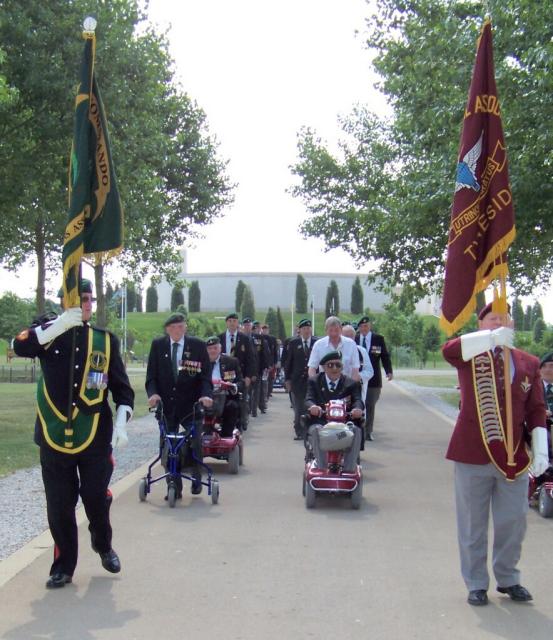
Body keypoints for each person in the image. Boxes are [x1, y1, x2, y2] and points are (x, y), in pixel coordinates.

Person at [13, 279, 134, 589]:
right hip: (53, 434)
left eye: (89, 299)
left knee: (95, 497)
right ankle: (63, 566)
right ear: (64, 301)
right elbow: (19, 346)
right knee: (59, 504)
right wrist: (58, 325)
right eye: (79, 299)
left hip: (94, 434)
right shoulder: (47, 333)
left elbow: (122, 390)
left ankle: (103, 545)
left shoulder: (105, 341)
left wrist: (122, 421)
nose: (85, 304)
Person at [442, 302, 548, 606]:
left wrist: (540, 446)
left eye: (504, 319)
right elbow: (448, 350)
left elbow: (536, 408)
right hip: (472, 452)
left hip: (513, 456)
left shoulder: (528, 362)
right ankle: (476, 582)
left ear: (512, 326)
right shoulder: (470, 355)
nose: (499, 323)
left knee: (514, 520)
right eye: (492, 319)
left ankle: (508, 577)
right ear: (481, 324)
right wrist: (489, 340)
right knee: (473, 523)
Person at [145, 313, 213, 498]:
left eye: (181, 327)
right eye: (173, 327)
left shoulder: (197, 346)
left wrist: (206, 396)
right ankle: (174, 485)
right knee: (169, 446)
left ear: (185, 328)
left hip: (191, 406)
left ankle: (197, 473)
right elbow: (151, 377)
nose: (177, 331)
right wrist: (153, 394)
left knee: (195, 442)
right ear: (167, 329)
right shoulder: (158, 345)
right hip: (167, 407)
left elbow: (205, 377)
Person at [305, 351, 363, 472]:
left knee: (356, 431)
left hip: (344, 427)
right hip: (321, 423)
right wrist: (313, 407)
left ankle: (349, 469)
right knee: (316, 430)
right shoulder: (314, 381)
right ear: (324, 367)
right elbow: (308, 399)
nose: (335, 369)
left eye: (338, 365)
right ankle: (321, 467)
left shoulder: (351, 383)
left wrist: (357, 409)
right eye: (331, 365)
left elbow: (358, 400)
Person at [355, 316, 393, 441]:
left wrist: (389, 371)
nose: (364, 328)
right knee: (358, 404)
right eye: (361, 327)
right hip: (357, 378)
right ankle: (357, 429)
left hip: (373, 380)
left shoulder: (378, 339)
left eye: (366, 326)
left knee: (370, 405)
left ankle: (368, 431)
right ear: (359, 328)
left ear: (369, 326)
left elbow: (384, 356)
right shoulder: (354, 339)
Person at [219, 312, 255, 430]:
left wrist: (249, 376)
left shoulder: (244, 338)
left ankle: (241, 421)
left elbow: (250, 358)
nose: (232, 323)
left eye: (234, 321)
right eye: (230, 321)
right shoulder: (220, 338)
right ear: (226, 323)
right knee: (224, 399)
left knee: (241, 400)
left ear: (237, 323)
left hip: (240, 374)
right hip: (223, 374)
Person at [284, 319, 318, 440]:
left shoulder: (317, 342)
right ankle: (299, 431)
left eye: (308, 328)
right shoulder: (294, 343)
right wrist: (287, 379)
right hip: (297, 381)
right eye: (304, 329)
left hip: (313, 381)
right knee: (298, 407)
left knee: (312, 406)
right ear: (300, 330)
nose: (307, 331)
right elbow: (288, 362)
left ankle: (309, 430)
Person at [205, 336, 244, 436]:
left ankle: (226, 436)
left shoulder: (231, 362)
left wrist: (233, 386)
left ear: (220, 348)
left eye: (215, 348)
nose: (212, 351)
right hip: (205, 396)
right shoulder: (201, 362)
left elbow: (241, 382)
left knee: (232, 407)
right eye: (209, 349)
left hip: (225, 397)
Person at [308, 316, 360, 380]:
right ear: (326, 330)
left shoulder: (351, 344)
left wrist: (351, 386)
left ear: (341, 329)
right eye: (331, 330)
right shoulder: (318, 345)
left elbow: (355, 369)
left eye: (336, 330)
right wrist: (315, 385)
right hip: (325, 387)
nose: (334, 333)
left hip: (346, 386)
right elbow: (312, 368)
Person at [342, 324, 374, 403]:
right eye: (346, 336)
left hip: (358, 392)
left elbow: (370, 371)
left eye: (351, 336)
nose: (349, 338)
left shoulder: (361, 351)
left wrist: (358, 377)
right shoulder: (336, 351)